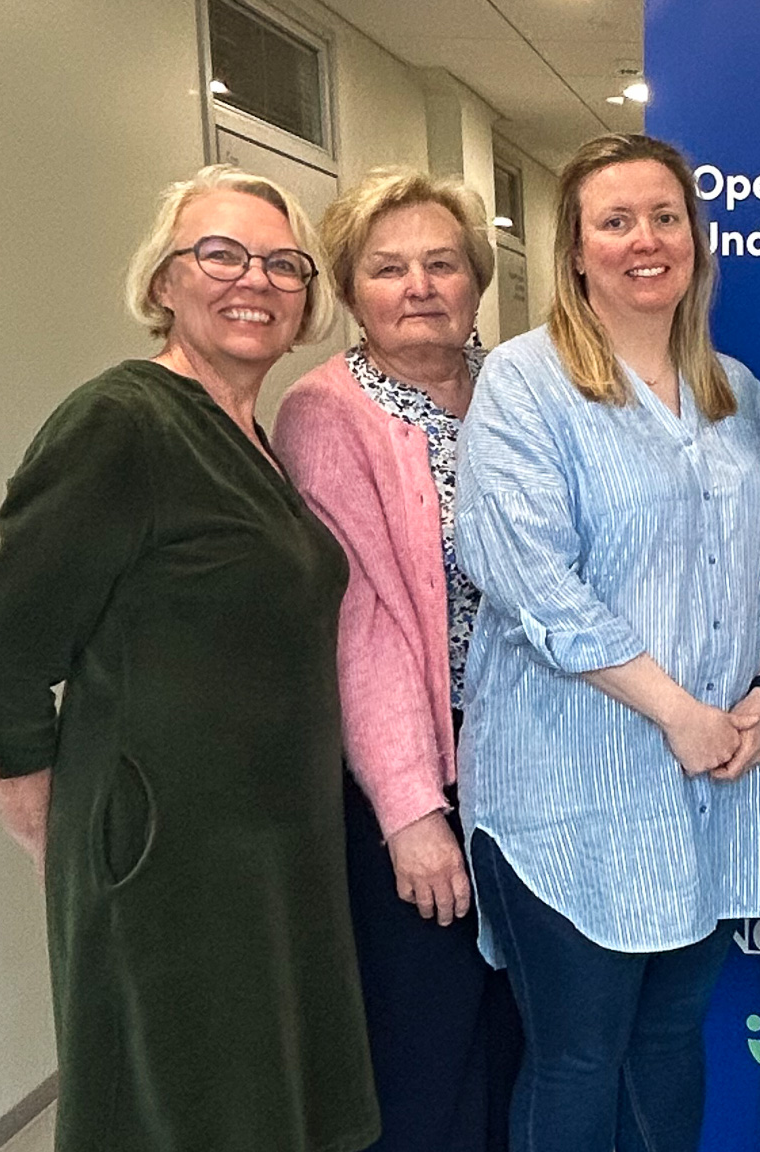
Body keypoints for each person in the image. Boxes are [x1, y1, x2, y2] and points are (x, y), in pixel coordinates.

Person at [0, 165, 377, 1150]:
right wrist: (60, 827)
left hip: (268, 855)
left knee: (259, 1109)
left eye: (283, 265)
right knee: (187, 1114)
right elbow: (6, 649)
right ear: (164, 280)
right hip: (168, 861)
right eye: (221, 254)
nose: (255, 280)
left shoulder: (250, 436)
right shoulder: (124, 422)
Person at [453, 133, 760, 1152]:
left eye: (664, 217)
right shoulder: (525, 382)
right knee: (578, 1059)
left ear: (694, 238)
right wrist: (678, 712)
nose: (645, 240)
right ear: (575, 250)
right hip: (568, 783)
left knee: (669, 1044)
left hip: (708, 787)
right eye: (616, 221)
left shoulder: (735, 392)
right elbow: (529, 579)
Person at [273, 166, 520, 1152]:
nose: (419, 286)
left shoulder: (522, 387)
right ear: (348, 290)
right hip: (415, 767)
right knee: (426, 1044)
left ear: (477, 280)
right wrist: (412, 812)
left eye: (441, 263)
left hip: (535, 758)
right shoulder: (325, 413)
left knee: (522, 1034)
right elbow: (358, 624)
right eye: (387, 268)